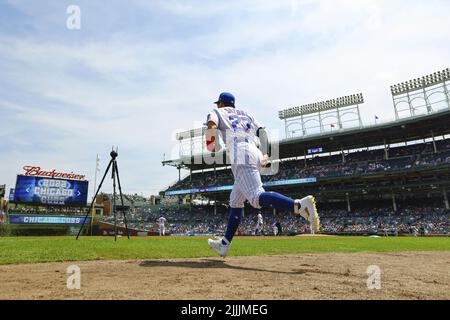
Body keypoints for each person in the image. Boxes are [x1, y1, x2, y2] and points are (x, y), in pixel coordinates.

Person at [206, 92, 320, 257]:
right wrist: (265, 154)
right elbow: (263, 132)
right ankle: (224, 244)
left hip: (241, 153)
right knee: (235, 201)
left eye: (219, 103)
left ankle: (299, 205)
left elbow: (211, 125)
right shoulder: (247, 114)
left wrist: (210, 146)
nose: (217, 106)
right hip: (255, 151)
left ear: (222, 104)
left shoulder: (218, 112)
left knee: (256, 197)